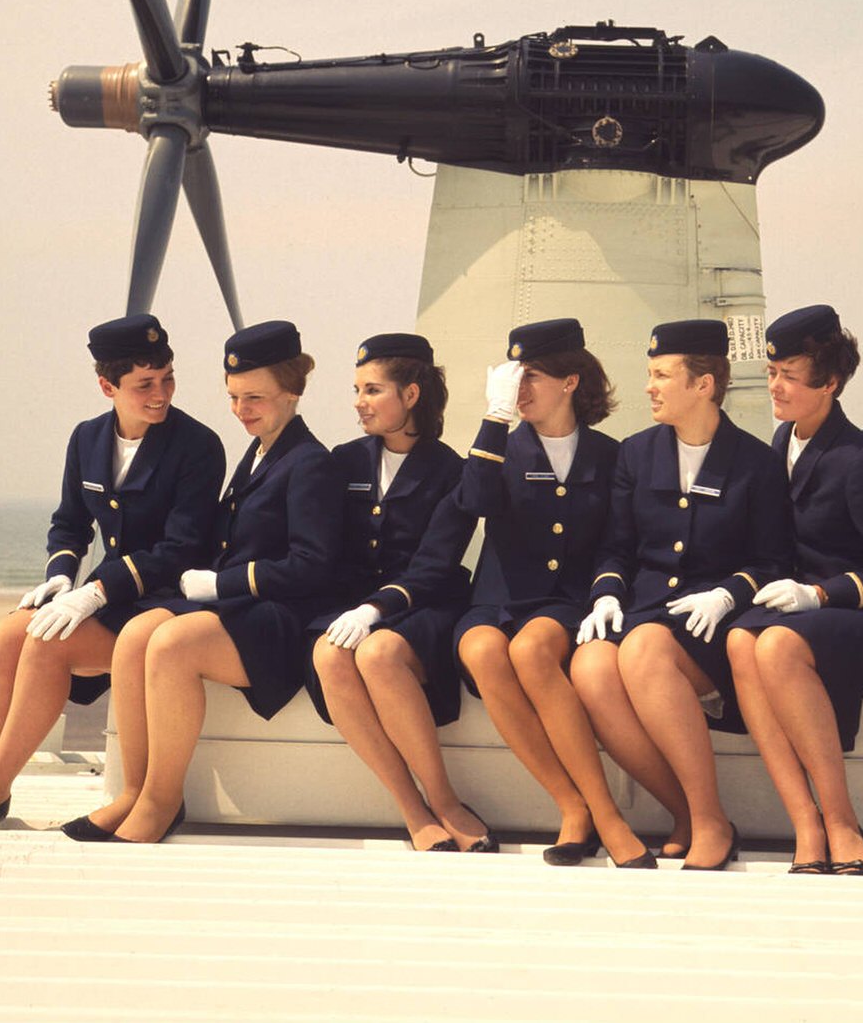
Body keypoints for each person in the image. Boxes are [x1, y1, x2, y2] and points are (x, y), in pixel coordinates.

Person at [0, 315, 223, 832]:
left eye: (167, 378)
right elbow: (70, 523)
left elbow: (181, 548)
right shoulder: (87, 439)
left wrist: (95, 593)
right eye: (144, 384)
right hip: (111, 596)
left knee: (45, 643)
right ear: (108, 386)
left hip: (164, 602)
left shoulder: (198, 445)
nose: (161, 393)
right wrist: (61, 575)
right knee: (10, 632)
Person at [63, 319, 342, 843]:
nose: (242, 411)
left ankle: (161, 803)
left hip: (278, 618)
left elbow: (313, 565)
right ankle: (132, 790)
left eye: (254, 397)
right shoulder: (259, 452)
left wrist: (222, 584)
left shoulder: (309, 463)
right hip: (240, 610)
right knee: (137, 635)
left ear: (293, 390)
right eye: (234, 398)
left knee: (168, 644)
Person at [572, 319, 789, 871]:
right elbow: (616, 549)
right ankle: (684, 812)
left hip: (709, 625)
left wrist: (727, 593)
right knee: (591, 668)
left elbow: (772, 561)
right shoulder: (635, 454)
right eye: (651, 374)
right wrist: (606, 595)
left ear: (704, 385)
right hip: (644, 611)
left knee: (642, 650)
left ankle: (711, 817)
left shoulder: (755, 462)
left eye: (663, 375)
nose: (649, 386)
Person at [455, 319, 653, 868]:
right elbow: (473, 501)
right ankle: (574, 806)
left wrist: (607, 592)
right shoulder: (502, 448)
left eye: (532, 377)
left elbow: (619, 541)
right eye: (513, 379)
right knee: (479, 650)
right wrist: (493, 420)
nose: (519, 391)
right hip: (499, 597)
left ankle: (605, 815)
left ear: (570, 381)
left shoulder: (611, 455)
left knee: (533, 650)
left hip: (565, 599)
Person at [724, 304, 863, 875]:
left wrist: (822, 595)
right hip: (797, 606)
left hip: (860, 616)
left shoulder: (861, 461)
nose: (774, 386)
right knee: (738, 642)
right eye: (772, 371)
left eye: (788, 376)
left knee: (775, 646)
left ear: (829, 384)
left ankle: (840, 821)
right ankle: (803, 822)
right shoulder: (783, 439)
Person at [306, 333, 487, 852]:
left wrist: (376, 607)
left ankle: (445, 799)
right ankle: (412, 808)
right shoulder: (343, 462)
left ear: (411, 395)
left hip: (424, 605)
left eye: (373, 390)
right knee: (331, 656)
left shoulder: (451, 470)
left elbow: (435, 563)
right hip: (350, 607)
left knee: (381, 654)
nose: (359, 402)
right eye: (357, 389)